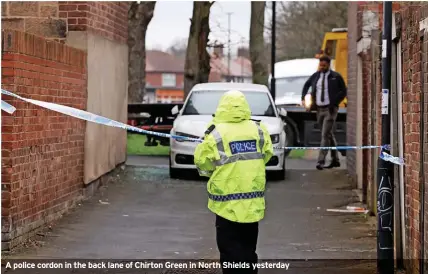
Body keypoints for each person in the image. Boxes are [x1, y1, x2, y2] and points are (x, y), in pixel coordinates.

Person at [194, 90, 273, 274]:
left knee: (230, 253)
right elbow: (267, 155)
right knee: (248, 250)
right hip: (252, 203)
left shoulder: (215, 132)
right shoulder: (259, 130)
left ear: (222, 107)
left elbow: (202, 161)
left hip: (226, 205)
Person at [301, 55, 347, 170]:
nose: (322, 67)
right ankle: (335, 159)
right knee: (328, 134)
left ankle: (320, 161)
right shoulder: (316, 76)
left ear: (328, 65)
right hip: (319, 109)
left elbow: (344, 91)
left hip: (330, 110)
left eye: (324, 65)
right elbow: (306, 85)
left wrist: (335, 101)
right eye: (320, 65)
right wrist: (304, 98)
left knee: (324, 135)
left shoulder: (335, 77)